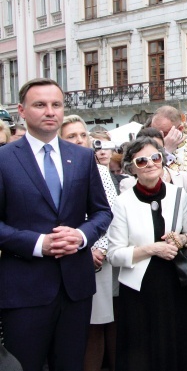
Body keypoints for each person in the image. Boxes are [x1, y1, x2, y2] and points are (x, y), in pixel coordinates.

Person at [0, 78, 112, 371]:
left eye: (56, 105)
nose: (50, 111)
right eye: (40, 105)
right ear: (21, 111)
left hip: (74, 287)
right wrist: (38, 244)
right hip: (24, 289)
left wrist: (80, 235)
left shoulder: (83, 157)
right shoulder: (4, 160)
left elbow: (102, 212)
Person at [107, 137, 187, 371]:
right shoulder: (122, 203)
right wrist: (151, 248)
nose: (150, 164)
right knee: (142, 352)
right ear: (131, 168)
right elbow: (114, 254)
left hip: (175, 284)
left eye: (155, 157)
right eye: (142, 160)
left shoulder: (177, 194)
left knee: (177, 345)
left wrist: (182, 239)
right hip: (139, 290)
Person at [60, 115, 119, 371]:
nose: (80, 140)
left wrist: (100, 248)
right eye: (71, 136)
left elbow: (109, 213)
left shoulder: (101, 170)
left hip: (100, 260)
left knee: (102, 323)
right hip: (67, 256)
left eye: (83, 135)